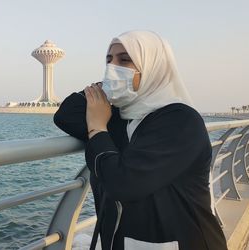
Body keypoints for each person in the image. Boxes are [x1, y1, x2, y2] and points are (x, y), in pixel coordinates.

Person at [53, 30, 227, 250]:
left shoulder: (180, 121)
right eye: (108, 60)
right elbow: (65, 113)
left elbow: (123, 183)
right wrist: (106, 89)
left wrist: (97, 128)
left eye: (124, 60)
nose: (112, 68)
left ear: (154, 68)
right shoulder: (120, 116)